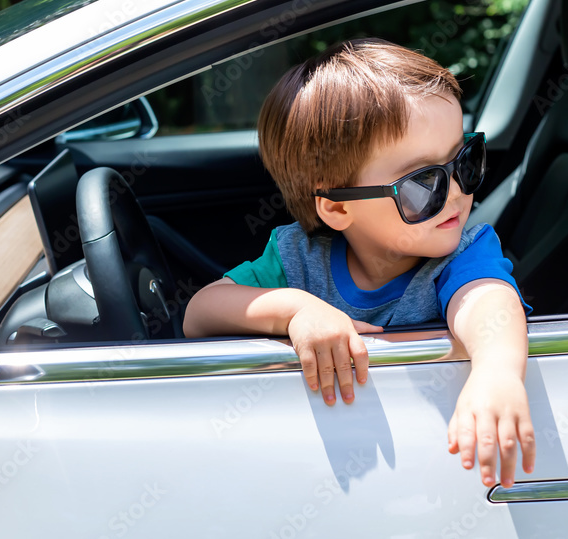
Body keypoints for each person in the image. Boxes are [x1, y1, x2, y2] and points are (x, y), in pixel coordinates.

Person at [183, 38, 536, 489]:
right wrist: (296, 310)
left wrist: (497, 373)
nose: (456, 192)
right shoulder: (298, 259)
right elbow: (200, 313)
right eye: (422, 183)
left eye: (464, 161)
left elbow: (488, 302)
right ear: (337, 208)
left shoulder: (464, 252)